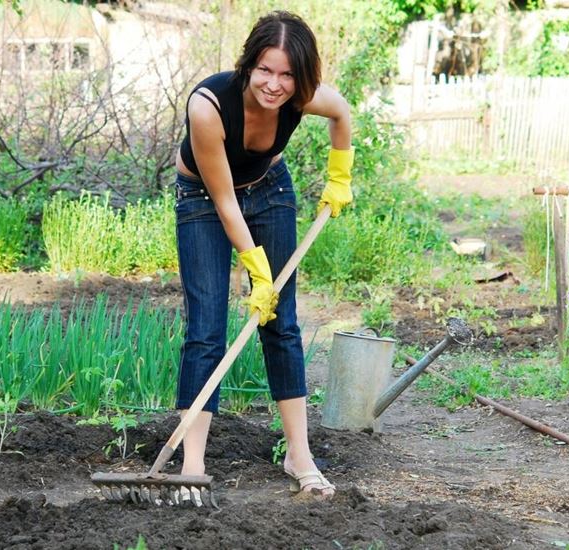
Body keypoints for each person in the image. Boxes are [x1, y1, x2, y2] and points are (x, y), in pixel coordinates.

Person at [174, 10, 353, 501]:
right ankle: (192, 465)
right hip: (205, 201)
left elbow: (342, 114)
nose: (275, 84)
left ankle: (300, 455)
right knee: (207, 328)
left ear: (302, 76)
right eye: (266, 70)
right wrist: (256, 271)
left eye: (288, 74)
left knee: (282, 323)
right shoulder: (208, 107)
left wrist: (340, 174)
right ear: (248, 64)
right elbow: (224, 201)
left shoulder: (303, 98)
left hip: (271, 191)